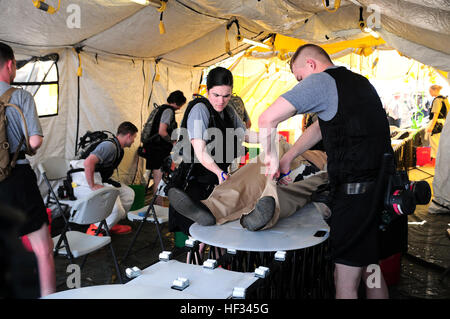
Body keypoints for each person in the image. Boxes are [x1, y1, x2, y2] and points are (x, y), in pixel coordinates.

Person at [257, 44, 392, 299]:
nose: (300, 85)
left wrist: (270, 162)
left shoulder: (321, 81)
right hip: (378, 194)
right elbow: (320, 127)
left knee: (344, 280)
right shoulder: (358, 83)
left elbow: (267, 119)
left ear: (311, 65)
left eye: (299, 78)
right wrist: (288, 157)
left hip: (354, 198)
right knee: (370, 268)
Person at [168, 135, 329, 231]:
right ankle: (212, 208)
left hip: (323, 166)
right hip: (297, 152)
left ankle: (262, 214)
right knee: (257, 170)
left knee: (294, 187)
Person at [0, 42, 55, 297]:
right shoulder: (20, 96)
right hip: (17, 179)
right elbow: (34, 141)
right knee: (43, 249)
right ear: (10, 64)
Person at [167, 67, 248, 236]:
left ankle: (215, 259)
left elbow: (245, 134)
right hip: (194, 182)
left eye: (226, 96)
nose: (221, 101)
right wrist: (219, 172)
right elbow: (200, 151)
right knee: (197, 235)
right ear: (207, 90)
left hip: (215, 183)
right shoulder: (199, 110)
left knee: (215, 232)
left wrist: (270, 137)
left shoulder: (229, 111)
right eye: (216, 95)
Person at [70, 121, 138, 235]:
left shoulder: (118, 148)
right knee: (116, 208)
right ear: (128, 136)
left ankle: (111, 224)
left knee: (128, 194)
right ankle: (95, 230)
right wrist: (92, 185)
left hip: (98, 179)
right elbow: (88, 163)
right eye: (134, 137)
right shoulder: (109, 146)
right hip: (83, 182)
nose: (134, 141)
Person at [141, 90, 186, 205]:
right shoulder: (168, 111)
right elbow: (162, 131)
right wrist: (173, 142)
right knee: (158, 179)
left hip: (151, 147)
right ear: (179, 103)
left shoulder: (160, 109)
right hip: (158, 150)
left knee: (157, 177)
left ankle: (156, 204)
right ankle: (158, 206)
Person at [426, 85, 448, 160]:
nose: (429, 93)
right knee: (441, 142)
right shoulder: (444, 99)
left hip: (437, 123)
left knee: (435, 143)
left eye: (430, 91)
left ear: (435, 90)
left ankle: (435, 161)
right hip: (443, 122)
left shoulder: (437, 100)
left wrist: (431, 126)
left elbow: (436, 114)